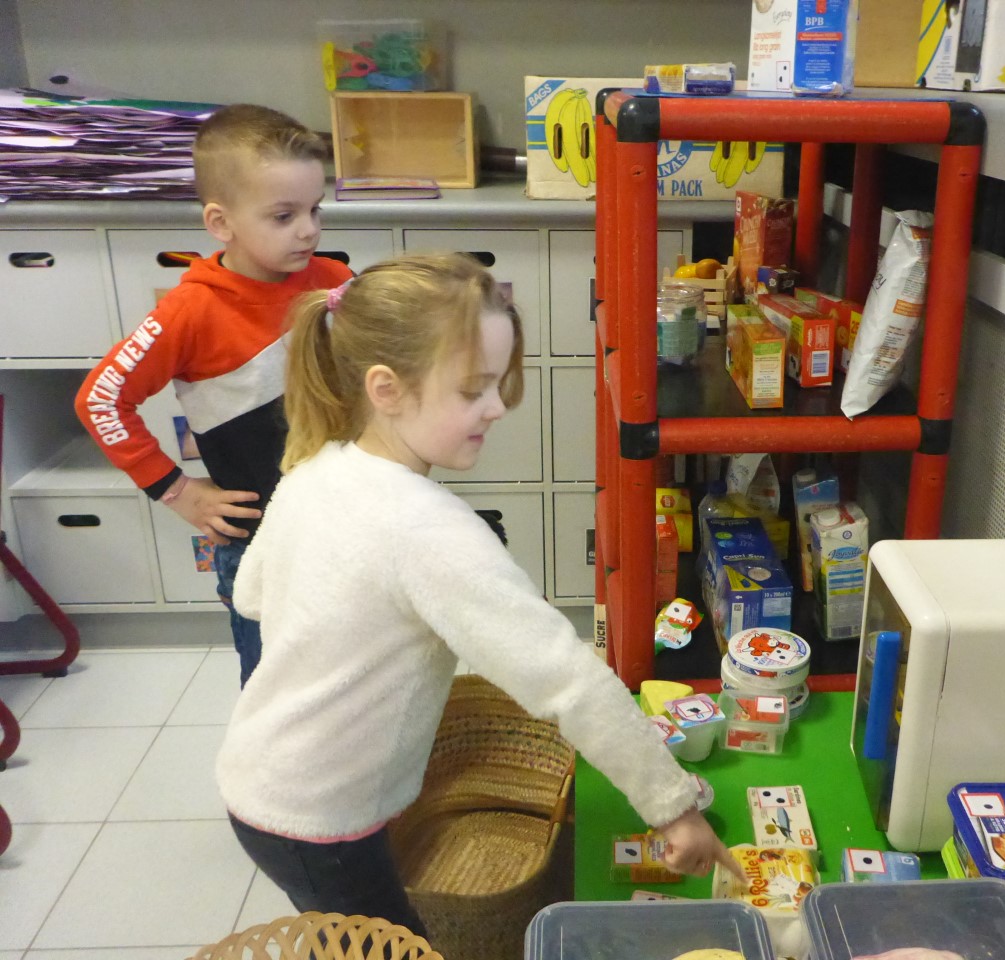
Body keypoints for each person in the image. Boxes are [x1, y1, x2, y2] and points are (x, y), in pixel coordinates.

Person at [215, 254, 744, 935]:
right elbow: (568, 679)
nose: (497, 407)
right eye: (473, 390)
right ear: (386, 389)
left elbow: (253, 594)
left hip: (263, 773)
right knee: (389, 946)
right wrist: (673, 807)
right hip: (317, 815)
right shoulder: (426, 529)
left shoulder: (315, 468)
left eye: (497, 384)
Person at [74, 104, 353, 685]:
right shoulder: (190, 311)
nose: (308, 229)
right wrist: (175, 490)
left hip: (344, 529)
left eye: (315, 209)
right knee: (275, 696)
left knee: (350, 683)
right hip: (260, 546)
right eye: (284, 215)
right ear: (221, 223)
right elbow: (100, 400)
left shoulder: (335, 283)